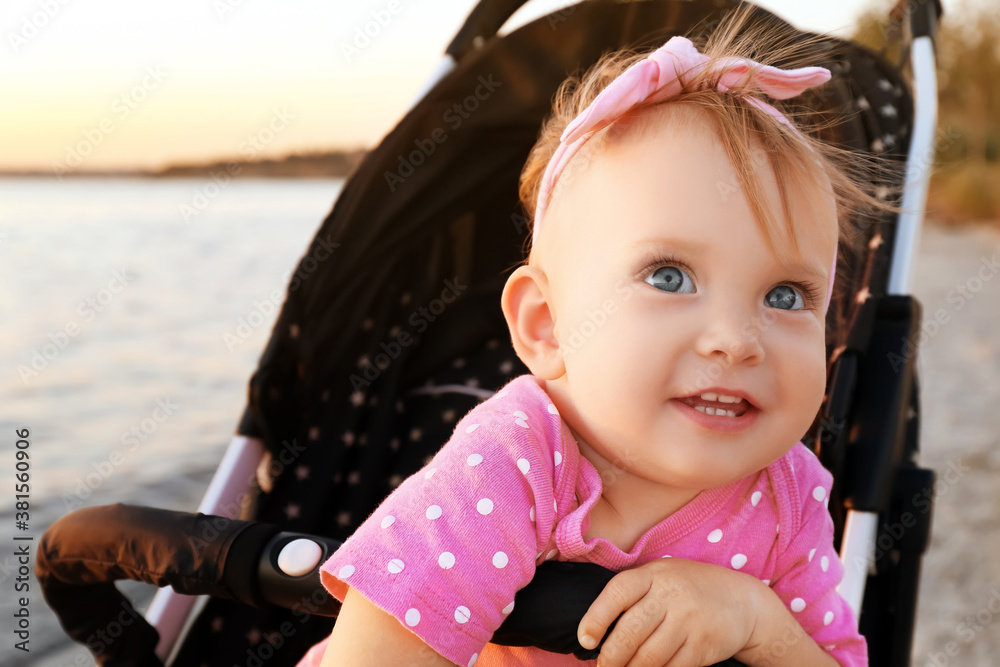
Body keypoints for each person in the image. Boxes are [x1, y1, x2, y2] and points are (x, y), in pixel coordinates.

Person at [296, 9, 891, 667]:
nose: (735, 340)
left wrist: (757, 621)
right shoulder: (518, 459)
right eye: (669, 276)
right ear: (546, 326)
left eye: (786, 295)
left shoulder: (787, 495)